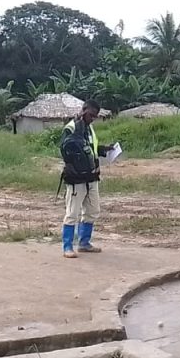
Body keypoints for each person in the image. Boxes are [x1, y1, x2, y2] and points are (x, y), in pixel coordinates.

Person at [59, 99, 114, 259]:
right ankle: (67, 247)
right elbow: (64, 149)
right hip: (76, 178)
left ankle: (84, 243)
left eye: (95, 116)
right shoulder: (71, 128)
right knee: (72, 213)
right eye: (91, 115)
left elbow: (90, 148)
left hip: (92, 176)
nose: (92, 119)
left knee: (92, 211)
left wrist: (104, 150)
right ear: (83, 111)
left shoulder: (89, 128)